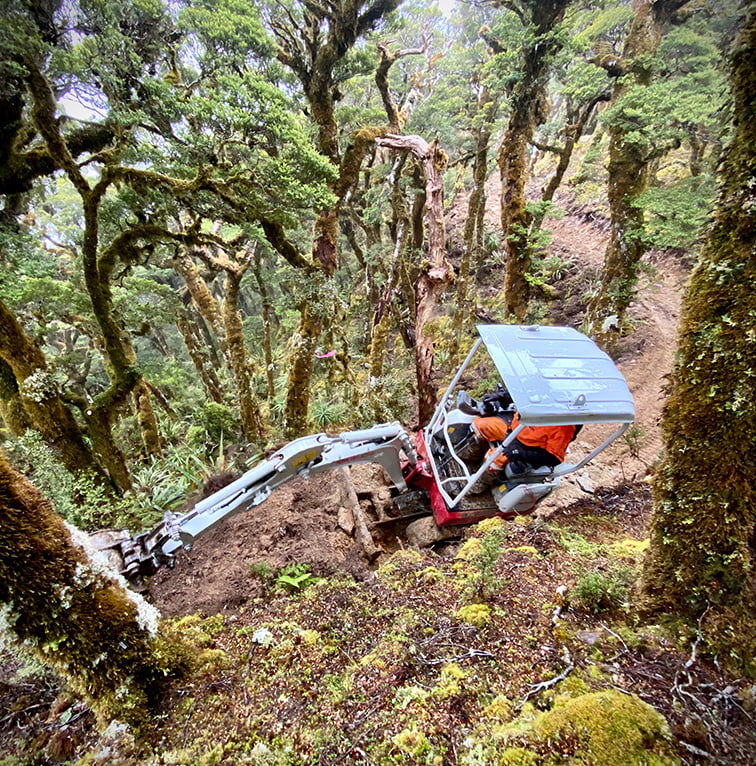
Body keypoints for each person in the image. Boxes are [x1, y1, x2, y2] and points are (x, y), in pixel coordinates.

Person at [467, 411, 578, 493]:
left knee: (495, 458)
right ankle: (472, 458)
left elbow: (554, 457)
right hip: (514, 430)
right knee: (480, 425)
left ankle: (477, 486)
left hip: (527, 447)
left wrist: (519, 453)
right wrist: (502, 396)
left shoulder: (564, 425)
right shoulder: (537, 399)